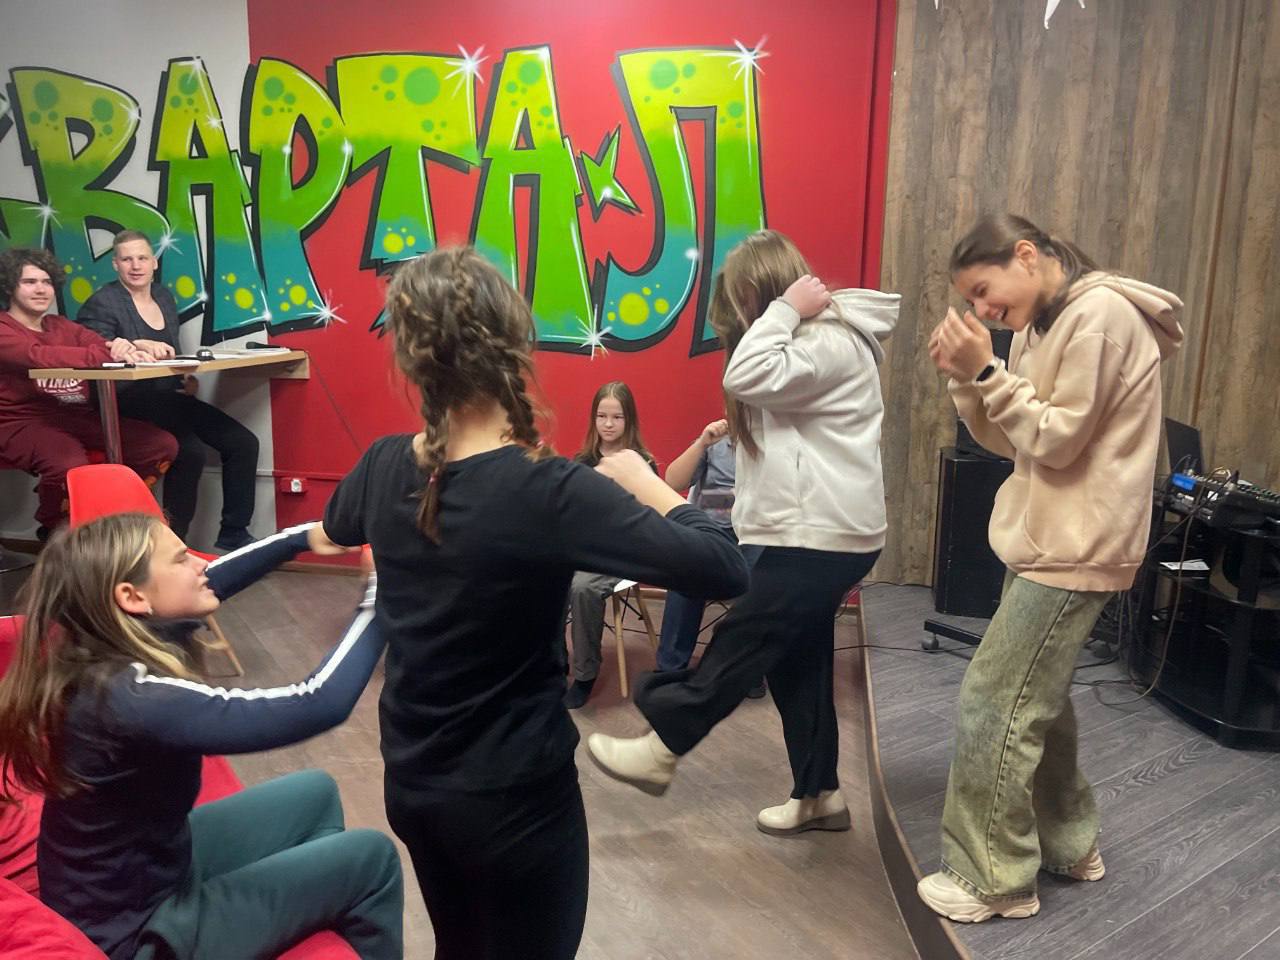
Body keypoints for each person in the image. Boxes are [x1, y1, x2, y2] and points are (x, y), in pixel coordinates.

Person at [321, 246, 748, 960]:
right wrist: (648, 484)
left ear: (417, 359)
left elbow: (338, 527)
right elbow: (724, 566)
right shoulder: (546, 489)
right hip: (512, 802)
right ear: (511, 346)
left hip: (415, 785)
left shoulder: (383, 463)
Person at [587, 229, 898, 837]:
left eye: (742, 302)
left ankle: (662, 746)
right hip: (806, 532)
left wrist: (784, 310)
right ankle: (819, 795)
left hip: (825, 535)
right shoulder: (799, 341)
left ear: (763, 292)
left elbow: (746, 377)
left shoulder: (827, 340)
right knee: (797, 665)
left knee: (743, 639)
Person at [918, 213, 1183, 922]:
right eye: (971, 301)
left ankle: (993, 878)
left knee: (993, 700)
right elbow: (1016, 441)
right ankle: (1068, 844)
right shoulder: (1045, 322)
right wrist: (969, 380)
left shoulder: (1099, 315)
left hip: (1077, 544)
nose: (981, 309)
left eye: (983, 289)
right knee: (1042, 701)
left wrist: (986, 369)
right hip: (1050, 538)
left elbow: (1058, 442)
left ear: (1026, 255)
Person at [0, 513, 403, 959]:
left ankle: (316, 922)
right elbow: (315, 703)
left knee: (315, 791)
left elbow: (212, 579)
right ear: (132, 596)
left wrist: (304, 537)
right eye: (181, 559)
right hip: (137, 934)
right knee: (372, 857)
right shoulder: (127, 698)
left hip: (145, 877)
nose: (200, 564)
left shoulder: (111, 637)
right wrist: (383, 597)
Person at [78, 231, 260, 551]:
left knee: (243, 442)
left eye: (142, 258)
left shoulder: (163, 296)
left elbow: (169, 351)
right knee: (190, 452)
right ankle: (175, 544)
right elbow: (92, 350)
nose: (136, 266)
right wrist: (135, 345)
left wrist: (184, 377)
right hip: (127, 403)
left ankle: (233, 532)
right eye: (127, 259)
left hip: (168, 397)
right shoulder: (102, 303)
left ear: (154, 262)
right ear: (115, 264)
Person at [0, 247, 177, 539]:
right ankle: (56, 531)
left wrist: (129, 346)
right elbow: (37, 356)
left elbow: (100, 343)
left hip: (74, 415)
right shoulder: (4, 328)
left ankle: (110, 514)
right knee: (68, 464)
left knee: (160, 445)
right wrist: (107, 353)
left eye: (47, 282)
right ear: (10, 286)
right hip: (20, 421)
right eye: (29, 282)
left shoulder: (60, 325)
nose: (41, 289)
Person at [561, 380, 659, 709]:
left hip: (623, 553)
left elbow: (650, 520)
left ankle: (585, 674)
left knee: (582, 587)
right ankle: (553, 660)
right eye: (602, 416)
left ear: (629, 420)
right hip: (584, 549)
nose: (608, 424)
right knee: (543, 573)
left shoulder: (642, 463)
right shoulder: (582, 462)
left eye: (617, 417)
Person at [655, 418, 765, 699]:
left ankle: (746, 668)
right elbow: (673, 481)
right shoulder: (715, 440)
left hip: (753, 534)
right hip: (711, 531)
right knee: (686, 573)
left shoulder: (774, 441)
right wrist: (702, 443)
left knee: (761, 584)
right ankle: (670, 668)